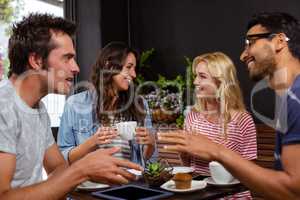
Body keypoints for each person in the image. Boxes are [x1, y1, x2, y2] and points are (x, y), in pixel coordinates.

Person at [158, 12, 300, 199]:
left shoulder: (296, 98)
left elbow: (292, 190)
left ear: (280, 41)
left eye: (251, 43)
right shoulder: (289, 100)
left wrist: (216, 151)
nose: (243, 55)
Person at [0, 13, 142, 199]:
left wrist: (85, 170)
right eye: (67, 58)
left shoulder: (38, 109)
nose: (76, 68)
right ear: (36, 61)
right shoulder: (4, 108)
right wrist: (81, 170)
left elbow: (58, 169)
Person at [57, 41, 157, 166]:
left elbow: (146, 160)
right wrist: (93, 142)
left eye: (134, 68)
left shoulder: (140, 104)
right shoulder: (75, 104)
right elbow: (63, 158)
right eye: (129, 67)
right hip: (92, 183)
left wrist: (151, 144)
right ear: (109, 66)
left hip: (129, 181)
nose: (134, 74)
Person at [182, 52, 257, 199]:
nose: (195, 82)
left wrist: (211, 151)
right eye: (195, 76)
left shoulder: (242, 120)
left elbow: (250, 173)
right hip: (200, 195)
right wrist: (183, 153)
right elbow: (190, 167)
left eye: (202, 76)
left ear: (220, 81)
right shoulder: (193, 116)